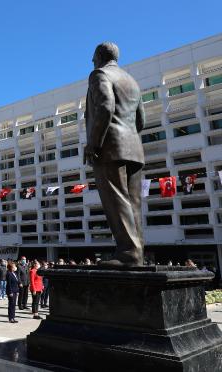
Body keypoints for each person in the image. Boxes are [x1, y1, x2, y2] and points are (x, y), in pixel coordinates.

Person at [84, 42, 145, 267]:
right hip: (134, 148)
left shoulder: (99, 74)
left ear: (99, 56)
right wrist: (128, 138)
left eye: (93, 57)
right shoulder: (132, 81)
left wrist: (93, 143)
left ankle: (128, 252)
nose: (92, 62)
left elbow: (105, 106)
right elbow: (141, 121)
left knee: (116, 201)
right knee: (133, 204)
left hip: (110, 148)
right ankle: (136, 253)